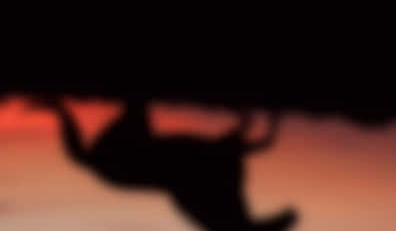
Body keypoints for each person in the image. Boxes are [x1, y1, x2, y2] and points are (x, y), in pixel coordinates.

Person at [34, 96, 298, 231]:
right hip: (145, 165)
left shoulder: (219, 213)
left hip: (133, 163)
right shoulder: (221, 211)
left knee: (137, 114)